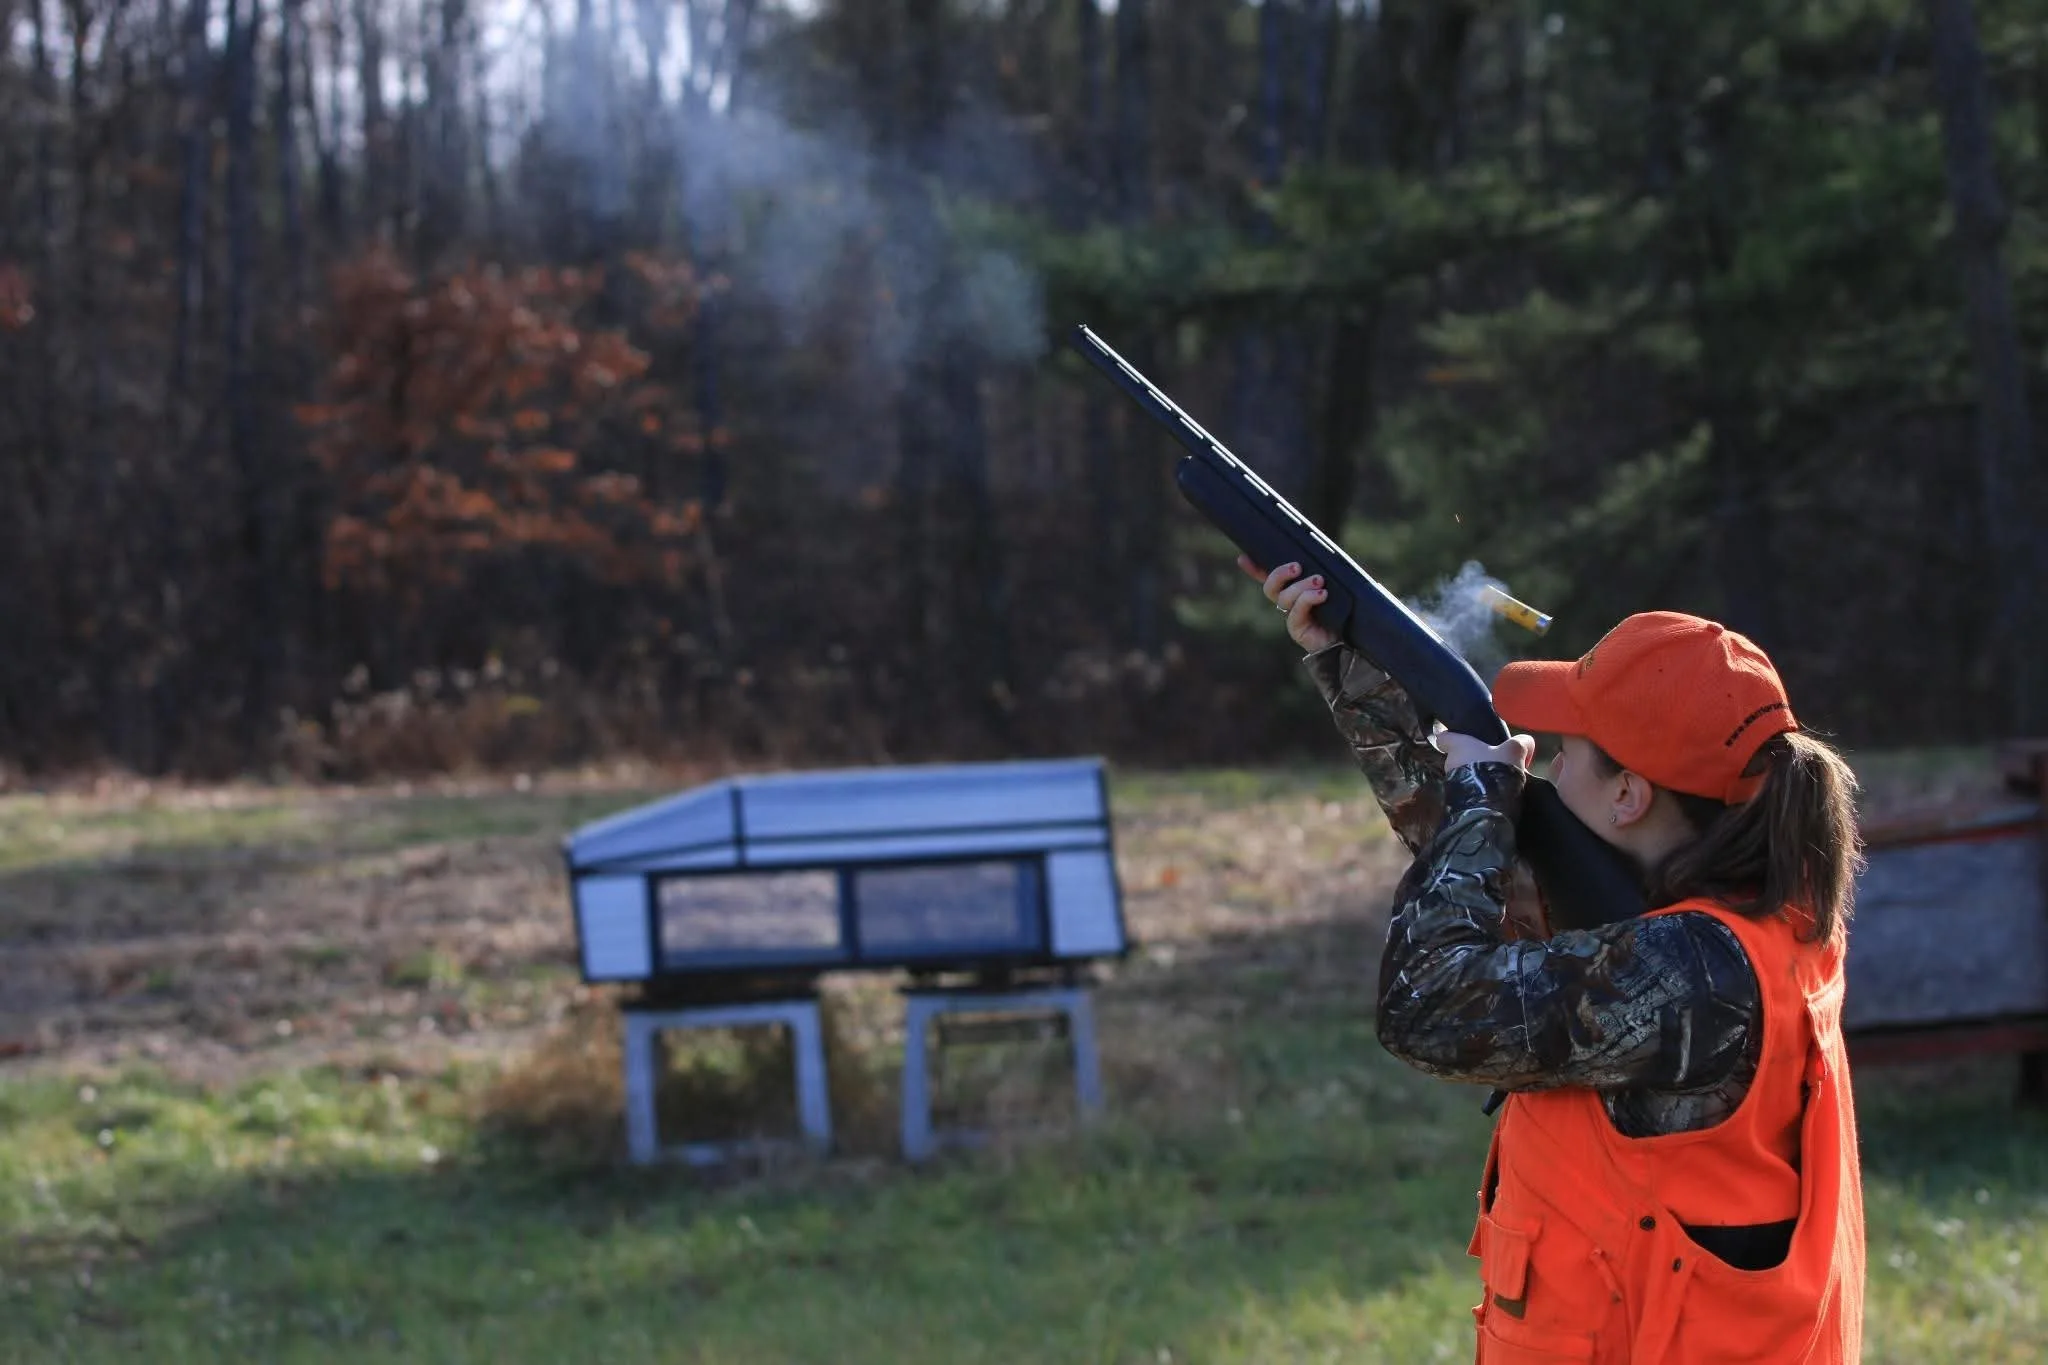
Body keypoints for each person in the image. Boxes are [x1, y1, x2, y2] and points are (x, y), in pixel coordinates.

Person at [1243, 556, 1867, 1364]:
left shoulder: (1695, 973)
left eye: (1568, 752)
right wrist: (1349, 661)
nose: (1546, 766)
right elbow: (1473, 877)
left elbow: (1428, 1004)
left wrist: (1483, 794)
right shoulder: (1757, 916)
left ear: (1628, 797)